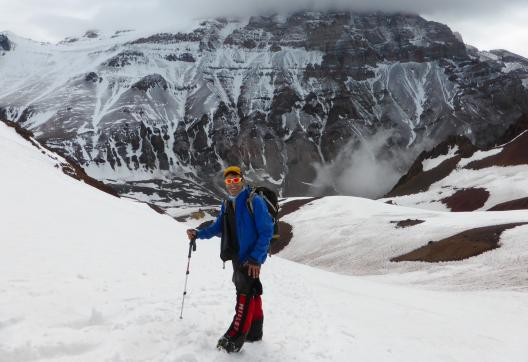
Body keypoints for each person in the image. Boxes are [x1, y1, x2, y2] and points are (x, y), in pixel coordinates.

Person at [186, 166, 274, 353]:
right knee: (252, 292)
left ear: (242, 180)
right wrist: (199, 234)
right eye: (229, 181)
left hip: (250, 259)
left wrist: (256, 259)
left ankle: (234, 338)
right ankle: (254, 333)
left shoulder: (254, 201)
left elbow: (266, 231)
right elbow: (218, 227)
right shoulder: (227, 204)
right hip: (236, 256)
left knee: (244, 294)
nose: (232, 185)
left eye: (235, 180)